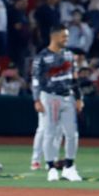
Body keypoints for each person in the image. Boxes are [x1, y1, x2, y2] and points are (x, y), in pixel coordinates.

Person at [31, 24, 84, 182]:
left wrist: (79, 98)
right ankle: (51, 168)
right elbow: (35, 81)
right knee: (50, 133)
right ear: (54, 36)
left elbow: (75, 79)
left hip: (68, 97)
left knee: (72, 134)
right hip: (50, 97)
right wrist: (36, 99)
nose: (66, 39)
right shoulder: (41, 57)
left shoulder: (69, 55)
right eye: (64, 36)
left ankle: (69, 167)